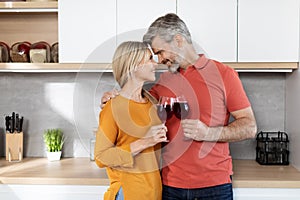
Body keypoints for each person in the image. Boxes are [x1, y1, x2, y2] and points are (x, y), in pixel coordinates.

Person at [101, 13, 257, 200]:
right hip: (170, 186)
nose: (159, 60)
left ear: (178, 40)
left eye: (160, 52)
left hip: (214, 186)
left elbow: (249, 127)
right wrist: (115, 95)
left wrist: (209, 133)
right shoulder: (164, 81)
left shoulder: (224, 74)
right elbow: (136, 99)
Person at [94, 41, 168, 200]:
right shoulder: (113, 107)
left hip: (154, 192)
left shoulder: (153, 103)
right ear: (133, 65)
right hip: (128, 193)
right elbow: (101, 157)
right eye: (149, 58)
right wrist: (146, 141)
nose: (155, 63)